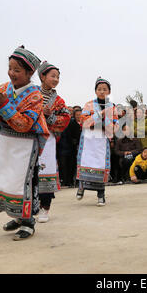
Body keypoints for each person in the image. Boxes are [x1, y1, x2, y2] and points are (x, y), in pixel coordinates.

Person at [0, 45, 49, 241]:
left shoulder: (35, 95)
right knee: (7, 178)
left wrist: (4, 107)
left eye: (17, 70)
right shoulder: (3, 88)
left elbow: (24, 124)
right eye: (10, 68)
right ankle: (18, 216)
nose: (11, 73)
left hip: (26, 143)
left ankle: (28, 222)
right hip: (6, 140)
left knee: (23, 181)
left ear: (29, 73)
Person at [37, 61, 71, 223]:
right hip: (29, 140)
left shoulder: (59, 101)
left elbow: (65, 119)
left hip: (47, 140)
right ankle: (29, 207)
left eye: (58, 77)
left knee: (45, 172)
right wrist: (39, 112)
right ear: (42, 76)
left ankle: (45, 207)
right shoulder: (31, 94)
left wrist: (49, 117)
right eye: (53, 76)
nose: (56, 79)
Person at [76, 77, 118, 206]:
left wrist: (102, 122)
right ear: (95, 91)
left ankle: (101, 195)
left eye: (105, 89)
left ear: (109, 92)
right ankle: (81, 187)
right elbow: (83, 120)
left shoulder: (112, 107)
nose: (102, 91)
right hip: (89, 139)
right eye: (99, 89)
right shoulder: (89, 104)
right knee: (86, 162)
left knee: (101, 165)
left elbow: (115, 125)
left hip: (101, 139)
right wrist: (101, 115)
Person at [57, 107, 82, 187]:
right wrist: (73, 141)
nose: (79, 116)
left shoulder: (84, 122)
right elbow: (68, 135)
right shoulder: (71, 123)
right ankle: (67, 181)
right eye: (77, 115)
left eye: (80, 114)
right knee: (66, 165)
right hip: (69, 147)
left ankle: (74, 181)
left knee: (75, 165)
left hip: (79, 147)